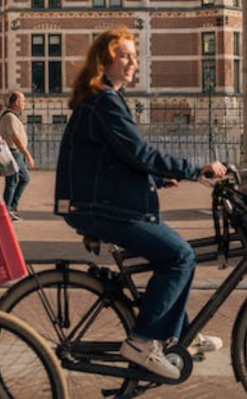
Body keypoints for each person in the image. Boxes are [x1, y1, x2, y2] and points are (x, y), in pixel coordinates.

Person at [55, 27, 227, 380]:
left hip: (100, 203)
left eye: (135, 55)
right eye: (126, 55)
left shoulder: (105, 97)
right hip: (100, 209)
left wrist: (157, 178)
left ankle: (175, 337)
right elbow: (138, 151)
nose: (134, 61)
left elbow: (114, 159)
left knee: (182, 257)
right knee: (180, 256)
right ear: (105, 60)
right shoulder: (104, 100)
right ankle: (143, 340)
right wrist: (197, 169)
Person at [0, 90, 34, 222]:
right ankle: (9, 209)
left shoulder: (11, 116)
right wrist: (28, 155)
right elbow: (15, 138)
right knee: (20, 179)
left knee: (13, 181)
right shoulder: (9, 117)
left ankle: (9, 209)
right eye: (23, 101)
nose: (24, 103)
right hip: (13, 152)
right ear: (16, 102)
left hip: (14, 153)